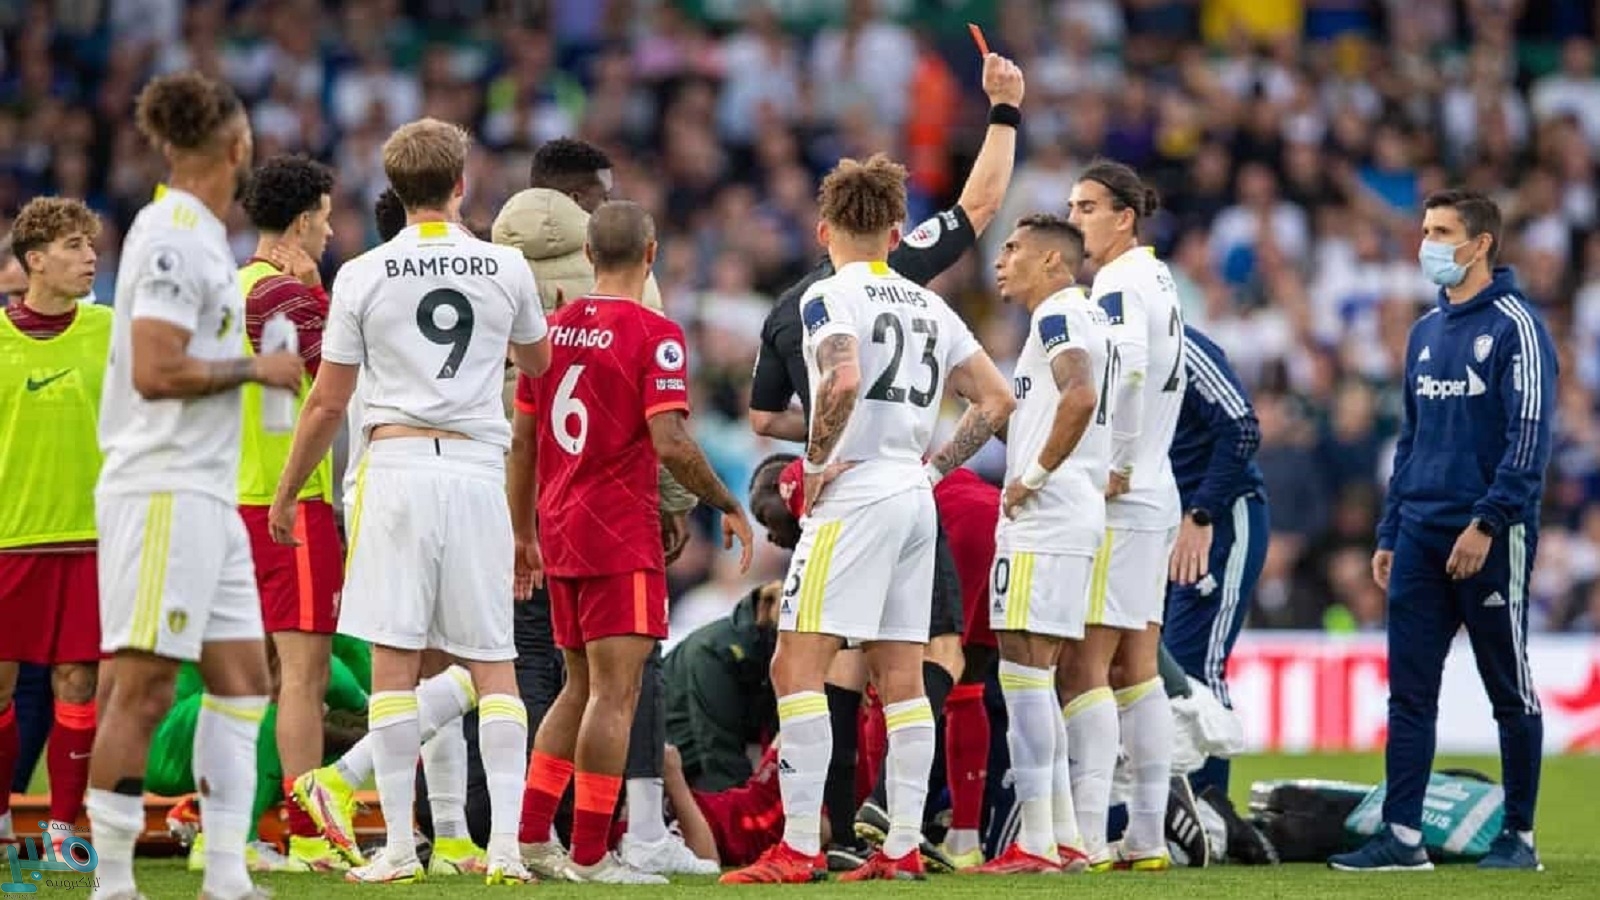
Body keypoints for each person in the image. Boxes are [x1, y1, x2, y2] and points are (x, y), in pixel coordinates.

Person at [746, 51, 1025, 871]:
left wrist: (817, 460)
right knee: (904, 672)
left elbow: (838, 377)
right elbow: (996, 401)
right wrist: (935, 470)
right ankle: (900, 847)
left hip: (857, 490)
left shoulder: (823, 295)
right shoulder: (926, 301)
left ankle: (798, 847)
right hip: (913, 492)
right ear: (898, 234)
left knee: (796, 661)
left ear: (823, 231)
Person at [268, 117, 551, 885]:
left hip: (394, 467)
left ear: (393, 188)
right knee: (494, 663)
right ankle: (503, 852)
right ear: (462, 184)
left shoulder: (362, 274)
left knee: (394, 665)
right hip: (477, 469)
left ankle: (398, 848)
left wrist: (289, 491)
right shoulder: (506, 267)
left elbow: (328, 402)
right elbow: (537, 362)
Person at [90, 70, 303, 900]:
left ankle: (225, 875)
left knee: (244, 682)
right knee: (142, 688)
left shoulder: (207, 238)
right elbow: (154, 369)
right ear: (237, 144)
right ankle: (112, 882)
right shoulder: (172, 235)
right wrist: (257, 368)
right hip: (162, 486)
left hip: (207, 493)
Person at [511, 200, 753, 884]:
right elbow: (670, 440)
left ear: (589, 255)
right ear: (650, 255)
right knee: (614, 694)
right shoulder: (656, 333)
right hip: (619, 532)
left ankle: (532, 837)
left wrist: (522, 531)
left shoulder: (549, 331)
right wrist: (724, 501)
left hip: (560, 526)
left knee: (579, 686)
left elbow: (523, 440)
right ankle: (590, 854)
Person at [1330, 190, 1555, 873]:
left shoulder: (1518, 327)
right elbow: (1412, 441)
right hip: (1419, 535)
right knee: (1409, 692)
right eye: (1426, 229)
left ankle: (1519, 837)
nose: (1427, 243)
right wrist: (1390, 530)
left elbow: (1529, 439)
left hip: (1489, 536)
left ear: (1480, 243)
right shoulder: (1426, 331)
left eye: (1442, 231)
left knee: (1507, 687)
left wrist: (1487, 522)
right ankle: (1402, 835)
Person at [748, 453, 1001, 871]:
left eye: (765, 520)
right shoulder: (882, 451)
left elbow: (771, 432)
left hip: (929, 520)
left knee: (875, 670)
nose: (770, 536)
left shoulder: (811, 474)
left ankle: (862, 819)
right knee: (962, 676)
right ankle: (961, 838)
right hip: (989, 517)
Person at [971, 214, 1109, 875]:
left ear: (1053, 261)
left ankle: (1036, 841)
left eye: (1013, 248)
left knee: (1022, 672)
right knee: (1037, 676)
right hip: (1074, 510)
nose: (1000, 260)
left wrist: (1033, 476)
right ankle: (1063, 837)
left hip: (1047, 514)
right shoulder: (1085, 318)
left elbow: (1080, 396)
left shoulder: (1057, 315)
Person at [1063, 159, 1184, 872]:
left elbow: (1129, 369)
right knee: (1137, 668)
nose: (1074, 220)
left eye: (1087, 207)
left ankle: (1083, 835)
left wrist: (1117, 461)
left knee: (1088, 665)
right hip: (1157, 490)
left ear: (1124, 217)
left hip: (1126, 492)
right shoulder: (1159, 278)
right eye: (1072, 207)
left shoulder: (1115, 283)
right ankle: (1146, 835)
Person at [233, 154, 349, 871]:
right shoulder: (288, 295)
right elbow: (341, 380)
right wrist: (320, 293)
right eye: (327, 218)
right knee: (305, 678)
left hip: (233, 496)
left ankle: (227, 830)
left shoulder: (231, 286)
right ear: (303, 220)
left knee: (255, 681)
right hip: (289, 502)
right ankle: (308, 834)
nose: (331, 231)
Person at [0, 196, 107, 851]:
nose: (90, 256)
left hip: (90, 536)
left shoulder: (111, 330)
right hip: (8, 538)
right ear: (34, 260)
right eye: (73, 246)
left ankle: (66, 836)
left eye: (90, 245)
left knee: (78, 682)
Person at [1164, 324, 1269, 799]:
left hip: (1220, 518)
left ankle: (1211, 808)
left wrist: (1202, 510)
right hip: (1160, 525)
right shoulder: (1112, 345)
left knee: (1195, 665)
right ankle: (1172, 808)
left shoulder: (1181, 345)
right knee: (1156, 668)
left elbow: (1242, 426)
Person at [663, 582, 782, 793]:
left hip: (695, 769)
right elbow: (720, 759)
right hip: (676, 772)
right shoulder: (715, 653)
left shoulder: (768, 652)